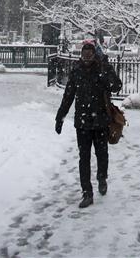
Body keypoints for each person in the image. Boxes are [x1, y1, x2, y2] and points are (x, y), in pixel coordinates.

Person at [55, 40, 122, 208]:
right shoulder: (76, 71)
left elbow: (116, 86)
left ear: (94, 54)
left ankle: (102, 177)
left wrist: (106, 69)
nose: (86, 57)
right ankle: (87, 192)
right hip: (83, 123)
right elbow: (68, 96)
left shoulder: (102, 69)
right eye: (84, 54)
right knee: (83, 158)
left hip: (100, 121)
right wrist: (60, 117)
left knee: (102, 154)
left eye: (89, 54)